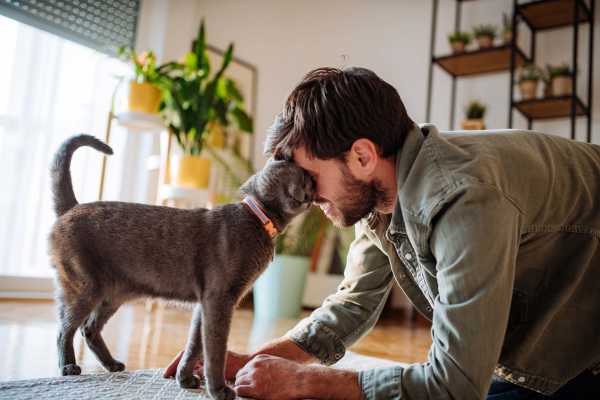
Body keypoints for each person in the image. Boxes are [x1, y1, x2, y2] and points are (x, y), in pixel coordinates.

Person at [164, 67, 600, 399]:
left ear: (361, 155)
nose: (306, 194)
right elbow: (354, 302)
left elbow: (455, 386)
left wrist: (308, 382)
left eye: (310, 176)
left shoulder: (463, 199)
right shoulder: (383, 193)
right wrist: (260, 359)